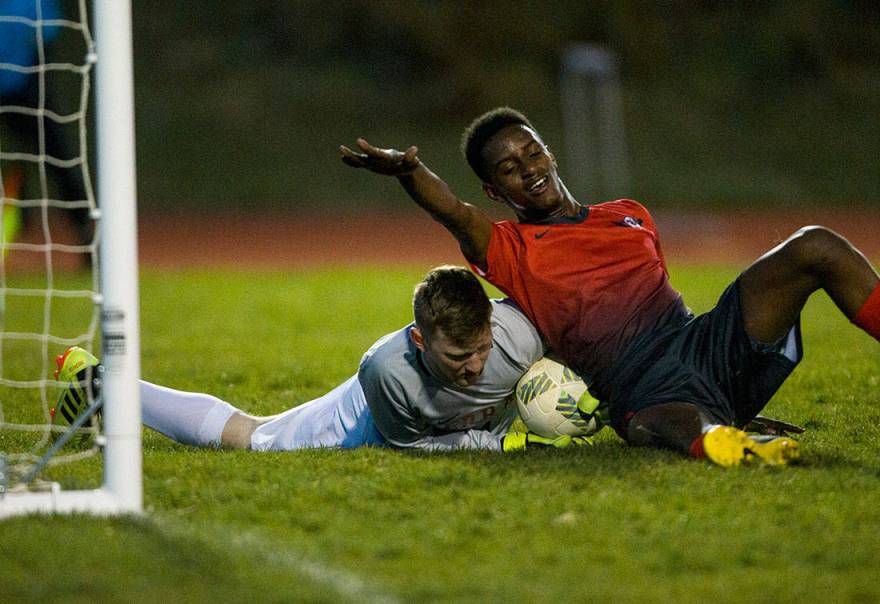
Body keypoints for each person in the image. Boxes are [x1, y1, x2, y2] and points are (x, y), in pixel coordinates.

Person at [338, 107, 880, 467]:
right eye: (509, 170)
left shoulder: (629, 214)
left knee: (815, 246)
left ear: (550, 150)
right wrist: (405, 173)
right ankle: (730, 441)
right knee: (673, 422)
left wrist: (719, 368)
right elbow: (451, 211)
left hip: (699, 345)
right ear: (496, 191)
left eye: (532, 152)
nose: (528, 170)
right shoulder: (508, 248)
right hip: (640, 390)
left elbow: (669, 303)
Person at [52, 266, 592, 453]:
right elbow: (415, 447)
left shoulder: (519, 334)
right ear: (421, 341)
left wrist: (596, 402)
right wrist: (502, 443)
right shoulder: (388, 373)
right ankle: (100, 382)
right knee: (252, 438)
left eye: (481, 349)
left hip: (450, 420)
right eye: (458, 356)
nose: (475, 366)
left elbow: (583, 347)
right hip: (370, 424)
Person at [0, 0, 93, 251]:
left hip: (28, 89)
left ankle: (86, 229)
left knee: (58, 157)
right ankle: (21, 216)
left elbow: (47, 40)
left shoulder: (32, 3)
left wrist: (34, 85)